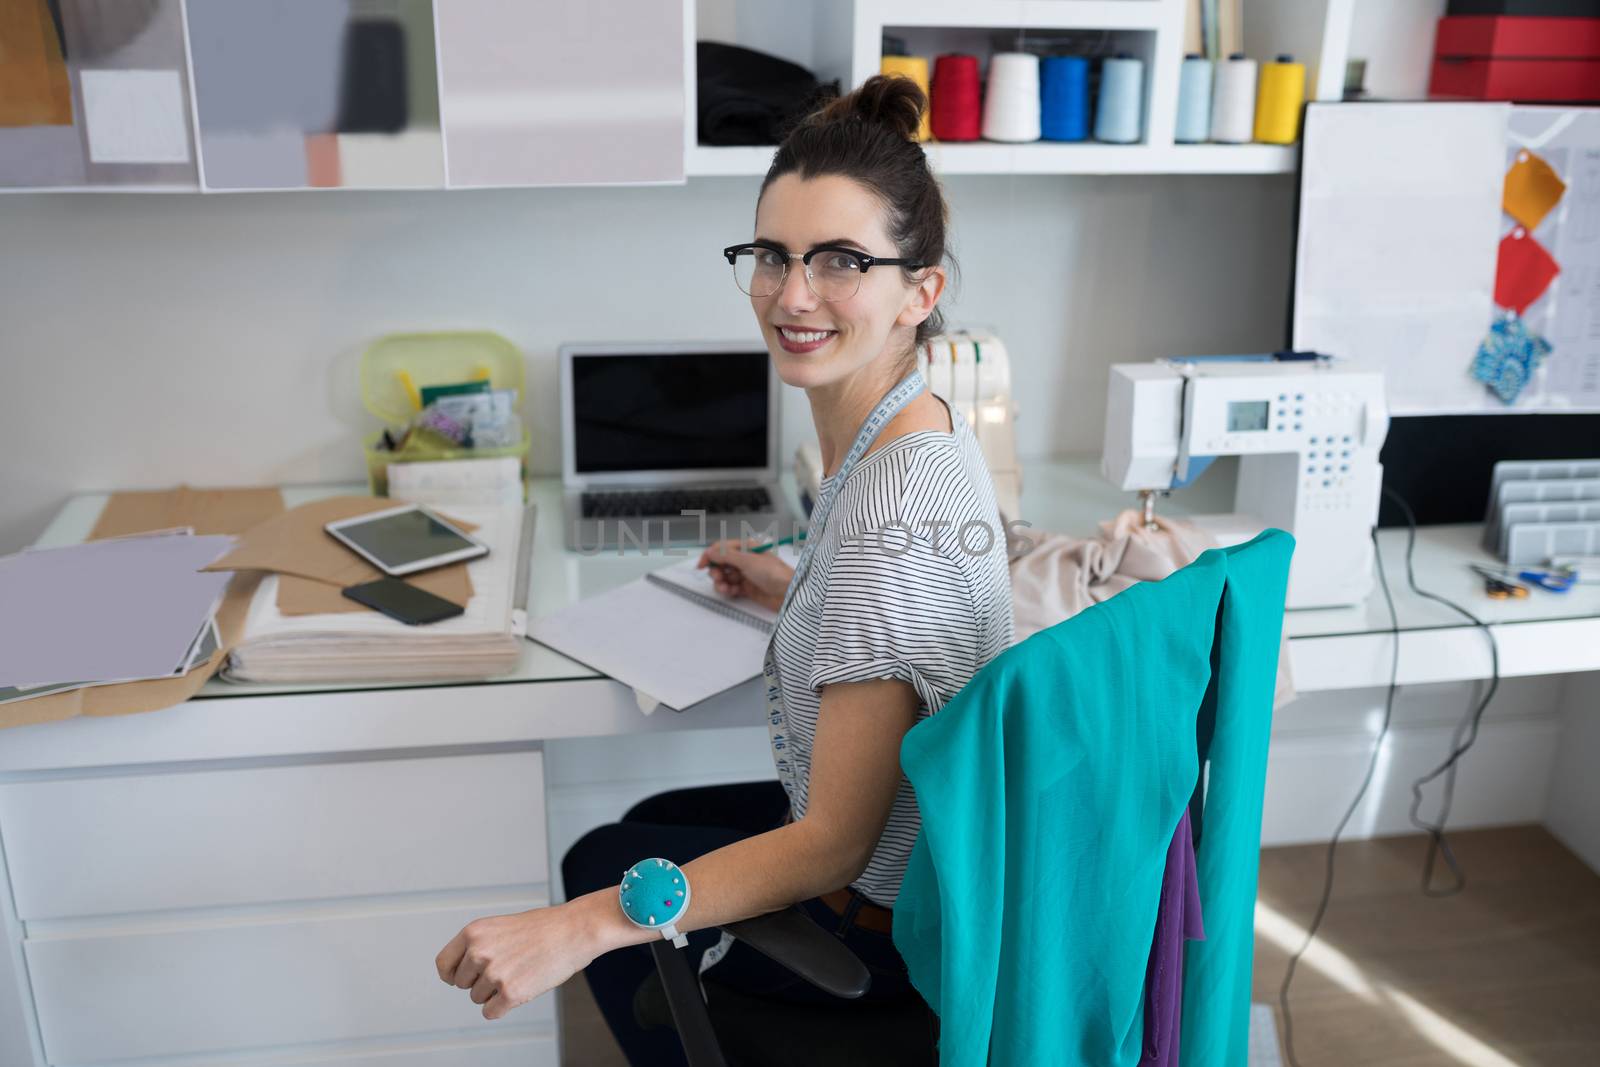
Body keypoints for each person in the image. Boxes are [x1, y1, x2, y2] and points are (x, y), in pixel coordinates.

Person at [433, 75, 1014, 1063]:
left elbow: (830, 841)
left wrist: (577, 926)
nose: (793, 294)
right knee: (642, 824)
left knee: (594, 869)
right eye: (773, 255)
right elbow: (898, 614)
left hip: (872, 936)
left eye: (841, 261)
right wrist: (797, 588)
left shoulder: (888, 505)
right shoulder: (922, 432)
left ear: (922, 290)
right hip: (924, 865)